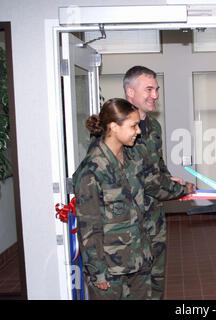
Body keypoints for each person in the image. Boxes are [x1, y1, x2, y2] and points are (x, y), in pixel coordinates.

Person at [123, 66, 195, 299]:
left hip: (154, 219)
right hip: (129, 226)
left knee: (156, 282)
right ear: (130, 92)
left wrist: (169, 177)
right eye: (149, 89)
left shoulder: (153, 126)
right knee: (136, 287)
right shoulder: (120, 129)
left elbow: (157, 166)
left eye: (157, 89)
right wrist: (181, 189)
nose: (155, 95)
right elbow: (145, 181)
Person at [73, 98, 152, 299]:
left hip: (139, 261)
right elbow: (89, 227)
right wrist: (97, 271)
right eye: (133, 125)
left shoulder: (131, 158)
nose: (139, 131)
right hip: (110, 270)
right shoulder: (91, 170)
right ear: (113, 127)